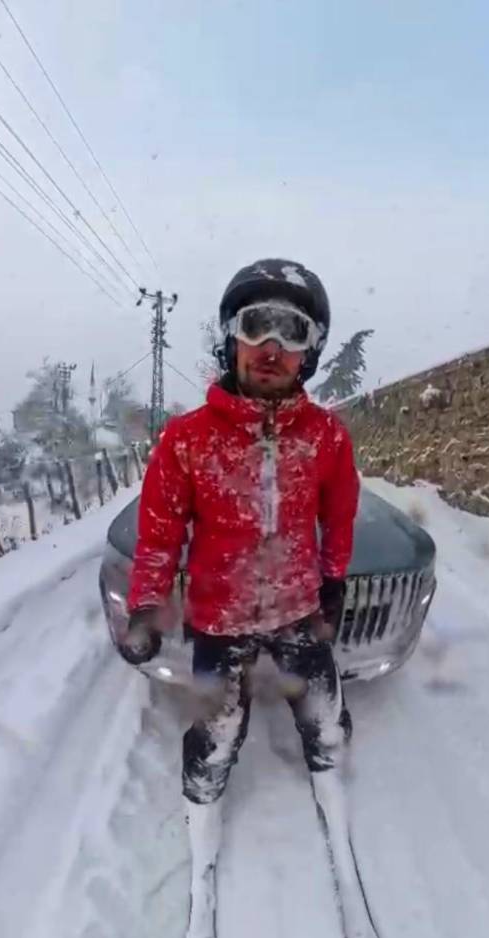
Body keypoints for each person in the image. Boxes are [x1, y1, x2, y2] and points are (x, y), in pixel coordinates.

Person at [118, 258, 359, 894]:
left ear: (310, 354)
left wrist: (332, 578)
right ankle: (203, 800)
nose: (273, 348)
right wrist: (145, 605)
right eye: (259, 326)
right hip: (218, 620)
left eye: (293, 332)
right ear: (232, 337)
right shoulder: (186, 440)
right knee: (217, 732)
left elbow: (339, 515)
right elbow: (161, 532)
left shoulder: (329, 438)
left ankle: (328, 771)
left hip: (299, 611)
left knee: (327, 716)